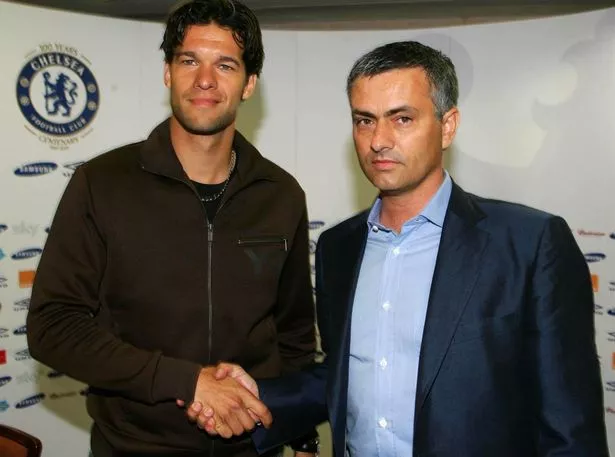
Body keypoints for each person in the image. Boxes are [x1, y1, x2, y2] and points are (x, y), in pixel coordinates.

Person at [197, 40, 609, 457]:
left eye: (402, 119)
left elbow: (571, 428)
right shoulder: (338, 249)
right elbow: (348, 377)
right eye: (364, 121)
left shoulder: (529, 243)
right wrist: (259, 394)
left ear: (447, 126)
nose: (378, 140)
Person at [26, 1, 318, 456]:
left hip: (251, 447)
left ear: (250, 83)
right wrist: (188, 382)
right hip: (132, 447)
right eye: (189, 60)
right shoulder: (102, 184)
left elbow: (294, 335)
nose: (205, 79)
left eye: (225, 64)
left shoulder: (281, 195)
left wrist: (298, 430)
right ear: (168, 72)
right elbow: (53, 327)